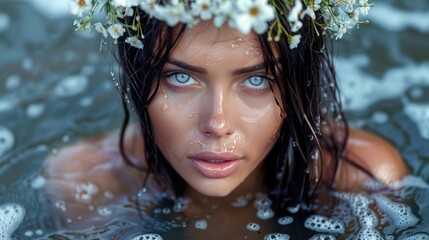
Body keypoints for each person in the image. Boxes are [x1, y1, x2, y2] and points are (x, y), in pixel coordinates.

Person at [43, 0, 409, 235]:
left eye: (257, 80)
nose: (217, 124)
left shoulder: (361, 179)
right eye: (180, 77)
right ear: (137, 74)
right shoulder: (89, 183)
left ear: (299, 82)